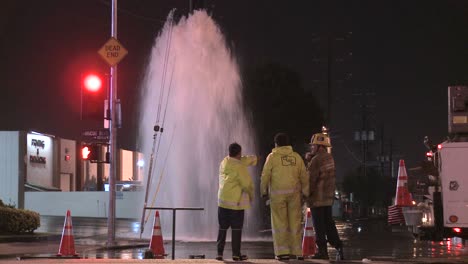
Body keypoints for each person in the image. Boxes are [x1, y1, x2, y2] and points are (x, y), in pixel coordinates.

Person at [260, 133, 309, 261]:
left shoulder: (272, 157)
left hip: (277, 196)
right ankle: (297, 251)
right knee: (295, 223)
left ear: (276, 144)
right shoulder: (296, 157)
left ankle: (282, 252)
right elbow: (304, 175)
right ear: (288, 144)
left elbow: (265, 175)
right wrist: (306, 192)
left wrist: (263, 191)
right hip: (294, 195)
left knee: (279, 224)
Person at [305, 131, 344, 260]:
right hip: (328, 198)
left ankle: (322, 251)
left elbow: (310, 180)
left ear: (319, 146)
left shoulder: (316, 160)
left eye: (313, 145)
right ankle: (338, 246)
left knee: (319, 226)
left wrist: (305, 195)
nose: (311, 148)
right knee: (329, 224)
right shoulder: (329, 158)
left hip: (317, 198)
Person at [216, 142, 257, 261]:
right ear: (239, 153)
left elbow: (241, 160)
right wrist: (251, 196)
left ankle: (219, 253)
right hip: (235, 203)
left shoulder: (224, 162)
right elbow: (247, 184)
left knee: (222, 228)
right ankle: (236, 254)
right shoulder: (240, 167)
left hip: (222, 201)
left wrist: (253, 159)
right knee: (236, 229)